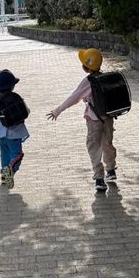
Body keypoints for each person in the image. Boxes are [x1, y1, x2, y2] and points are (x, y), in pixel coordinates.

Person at [47, 48, 117, 193]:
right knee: (107, 144)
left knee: (93, 147)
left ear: (86, 67)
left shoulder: (88, 81)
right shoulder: (104, 78)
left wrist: (58, 110)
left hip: (94, 120)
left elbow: (74, 98)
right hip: (108, 119)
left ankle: (99, 178)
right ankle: (111, 170)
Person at [0, 69, 29, 189]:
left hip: (0, 134)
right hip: (15, 133)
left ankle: (4, 177)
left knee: (4, 154)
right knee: (17, 155)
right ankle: (10, 170)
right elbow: (27, 111)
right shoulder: (16, 97)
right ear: (12, 86)